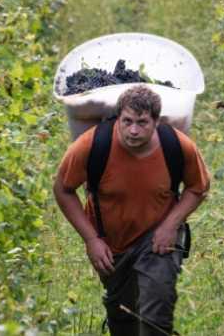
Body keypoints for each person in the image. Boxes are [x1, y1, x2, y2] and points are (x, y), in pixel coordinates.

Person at [54, 86, 210, 336]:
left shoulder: (178, 146)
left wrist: (171, 225)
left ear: (156, 122)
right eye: (127, 121)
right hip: (112, 244)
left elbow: (198, 188)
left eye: (142, 122)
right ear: (118, 118)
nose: (133, 130)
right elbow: (63, 189)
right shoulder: (93, 145)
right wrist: (91, 240)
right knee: (123, 313)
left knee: (155, 310)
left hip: (158, 237)